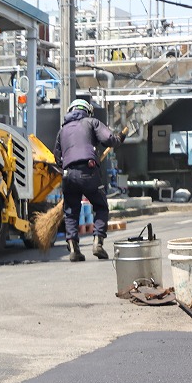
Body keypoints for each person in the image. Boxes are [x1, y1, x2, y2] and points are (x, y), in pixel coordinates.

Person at [53, 98, 125, 262]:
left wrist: (68, 165)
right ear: (87, 111)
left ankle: (73, 248)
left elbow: (57, 157)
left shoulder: (62, 131)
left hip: (68, 174)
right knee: (100, 206)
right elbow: (110, 140)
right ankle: (97, 242)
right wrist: (120, 138)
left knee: (71, 211)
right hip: (89, 172)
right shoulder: (92, 122)